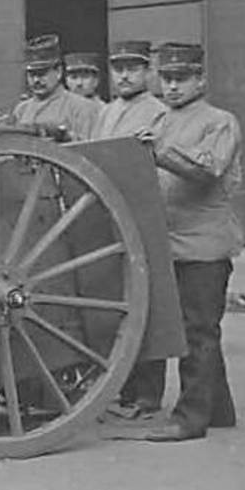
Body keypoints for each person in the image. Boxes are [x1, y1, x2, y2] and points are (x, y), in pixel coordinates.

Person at [115, 42, 241, 443]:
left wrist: (159, 152)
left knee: (198, 331)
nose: (171, 87)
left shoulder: (220, 121)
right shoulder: (163, 120)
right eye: (166, 79)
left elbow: (207, 171)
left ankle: (190, 419)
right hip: (170, 242)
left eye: (181, 79)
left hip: (206, 244)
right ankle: (218, 408)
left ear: (201, 79)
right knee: (197, 327)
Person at [93, 39, 171, 419]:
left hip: (142, 216)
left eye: (133, 68)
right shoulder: (106, 112)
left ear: (148, 72)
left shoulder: (158, 112)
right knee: (118, 302)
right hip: (107, 218)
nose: (124, 75)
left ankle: (147, 394)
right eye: (118, 68)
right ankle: (123, 386)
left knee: (149, 302)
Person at [9, 35, 98, 141]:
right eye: (32, 75)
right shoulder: (21, 110)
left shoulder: (81, 108)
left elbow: (90, 148)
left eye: (42, 74)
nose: (37, 80)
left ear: (59, 72)